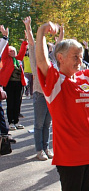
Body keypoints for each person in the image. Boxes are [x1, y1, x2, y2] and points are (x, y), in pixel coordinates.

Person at [35, 22, 89, 191]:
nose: (80, 60)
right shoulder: (55, 82)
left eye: (81, 56)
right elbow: (41, 61)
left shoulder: (86, 78)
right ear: (60, 58)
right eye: (75, 56)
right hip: (70, 157)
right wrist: (41, 32)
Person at [23, 16, 55, 161]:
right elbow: (31, 42)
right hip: (40, 94)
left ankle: (46, 147)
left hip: (51, 96)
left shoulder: (52, 61)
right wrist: (28, 27)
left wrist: (60, 31)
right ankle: (39, 150)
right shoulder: (36, 58)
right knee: (39, 124)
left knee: (48, 124)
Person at [0, 24, 28, 131]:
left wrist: (25, 40)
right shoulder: (6, 59)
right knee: (10, 102)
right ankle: (11, 122)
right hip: (9, 84)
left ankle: (16, 121)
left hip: (19, 84)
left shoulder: (17, 60)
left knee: (17, 103)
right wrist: (5, 36)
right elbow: (4, 49)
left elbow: (22, 51)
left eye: (14, 51)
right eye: (11, 51)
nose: (13, 52)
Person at [0, 26, 16, 143]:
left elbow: (1, 49)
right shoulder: (5, 58)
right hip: (6, 84)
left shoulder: (13, 60)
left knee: (0, 112)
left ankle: (4, 134)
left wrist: (5, 37)